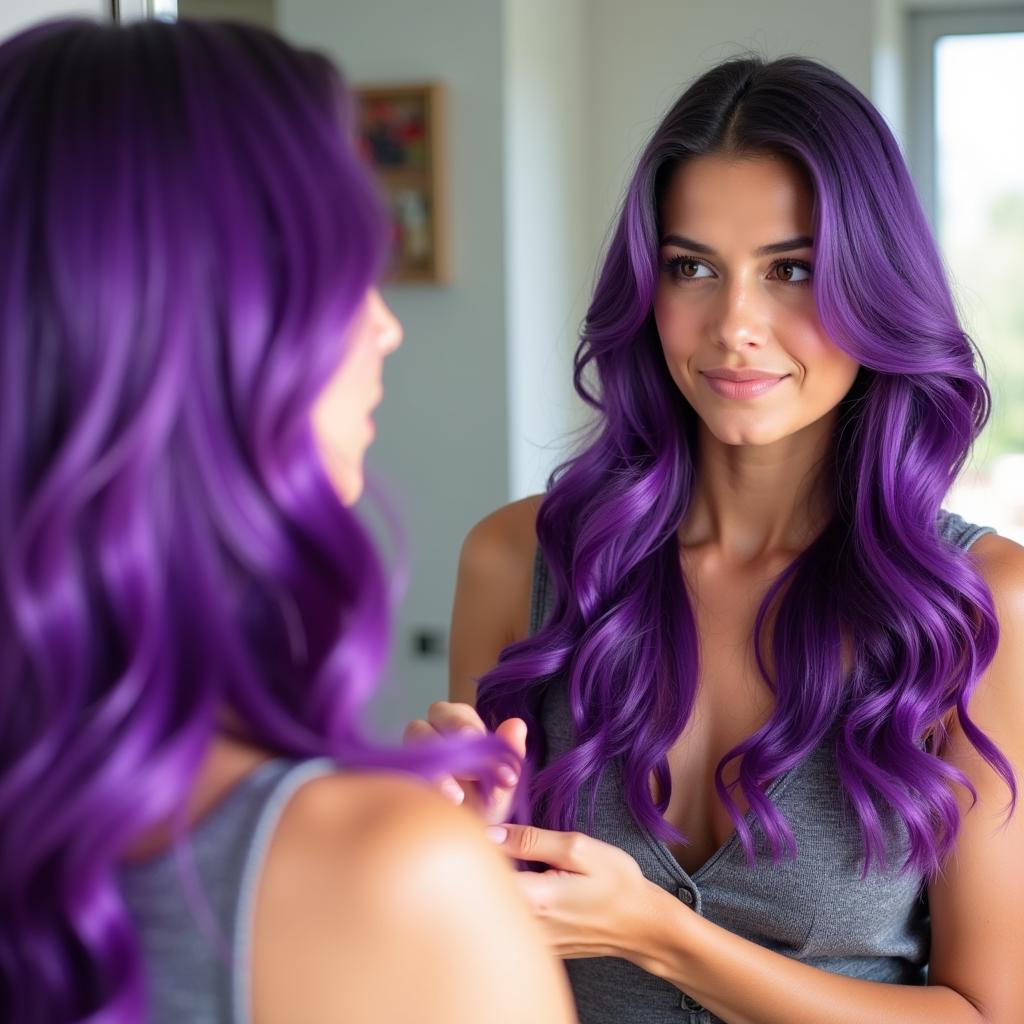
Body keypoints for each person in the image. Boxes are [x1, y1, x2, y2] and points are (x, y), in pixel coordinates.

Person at [409, 55, 1024, 1023]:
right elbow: (466, 969)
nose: (735, 324)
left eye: (791, 271)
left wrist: (660, 934)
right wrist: (433, 852)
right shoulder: (514, 563)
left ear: (875, 287)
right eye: (691, 267)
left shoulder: (980, 602)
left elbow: (988, 1013)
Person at [0, 17, 577, 1024]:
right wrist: (431, 900)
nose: (387, 325)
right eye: (344, 277)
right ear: (211, 328)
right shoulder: (386, 874)